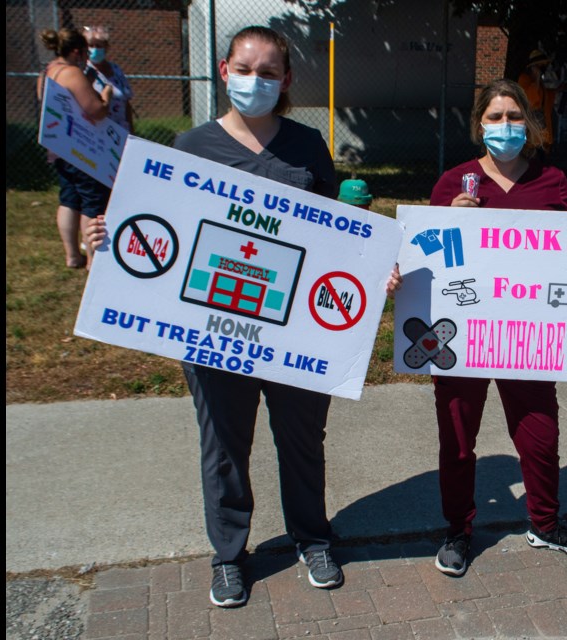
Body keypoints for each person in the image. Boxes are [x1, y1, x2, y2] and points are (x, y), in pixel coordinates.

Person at [86, 26, 401, 609]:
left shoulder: (308, 148)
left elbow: (339, 237)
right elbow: (156, 229)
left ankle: (313, 538)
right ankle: (229, 555)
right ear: (224, 69)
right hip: (214, 331)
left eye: (268, 71)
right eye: (244, 67)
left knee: (302, 440)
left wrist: (374, 269)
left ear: (285, 80)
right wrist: (106, 236)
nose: (254, 80)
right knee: (224, 445)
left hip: (295, 334)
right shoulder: (188, 147)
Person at [426, 79, 567, 576]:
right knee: (458, 436)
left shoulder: (551, 180)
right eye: (495, 117)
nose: (505, 127)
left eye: (515, 117)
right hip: (464, 333)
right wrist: (448, 222)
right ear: (478, 125)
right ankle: (458, 531)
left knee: (539, 431)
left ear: (530, 124)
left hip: (527, 334)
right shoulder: (454, 182)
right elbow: (423, 255)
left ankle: (545, 523)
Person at [38, 28, 112, 269]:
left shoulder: (47, 72)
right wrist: (105, 97)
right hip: (82, 148)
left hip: (60, 145)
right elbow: (95, 110)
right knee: (92, 201)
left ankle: (72, 254)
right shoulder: (71, 73)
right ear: (78, 52)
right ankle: (92, 258)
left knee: (69, 199)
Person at [83, 26, 134, 133]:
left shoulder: (116, 70)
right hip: (99, 131)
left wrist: (131, 130)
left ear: (106, 47)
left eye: (98, 46)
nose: (94, 49)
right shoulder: (84, 71)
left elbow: (126, 102)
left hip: (121, 130)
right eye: (91, 46)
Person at [517, 50, 560, 150]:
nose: (542, 69)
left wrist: (556, 91)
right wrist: (536, 79)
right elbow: (530, 99)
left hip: (542, 124)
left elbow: (544, 97)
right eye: (540, 66)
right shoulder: (524, 79)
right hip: (531, 125)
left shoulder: (540, 83)